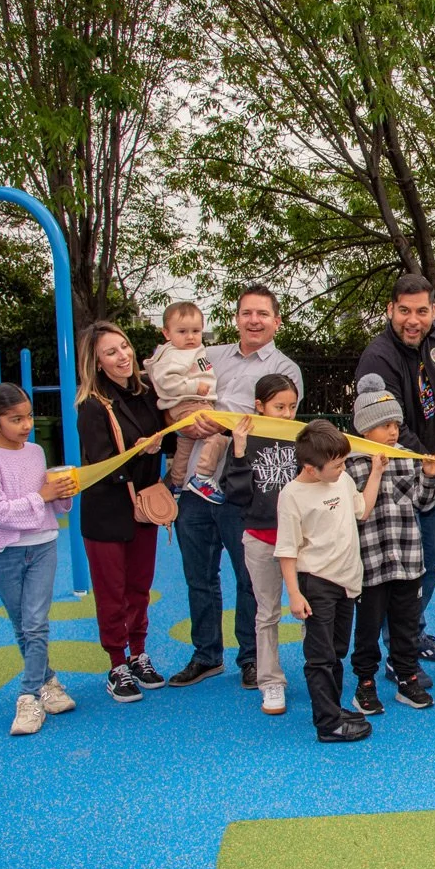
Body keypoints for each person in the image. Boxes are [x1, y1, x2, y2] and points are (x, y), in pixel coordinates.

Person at [169, 285, 303, 690]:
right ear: (236, 318)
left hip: (244, 488)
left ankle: (250, 657)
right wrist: (184, 417)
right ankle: (206, 655)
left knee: (249, 579)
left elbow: (278, 428)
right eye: (247, 313)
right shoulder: (208, 356)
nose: (254, 320)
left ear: (277, 321)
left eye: (262, 314)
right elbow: (174, 391)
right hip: (195, 485)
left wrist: (222, 424)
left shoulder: (285, 369)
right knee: (199, 577)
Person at [355, 272, 435, 666]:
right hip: (395, 478)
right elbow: (392, 429)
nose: (413, 320)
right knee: (399, 569)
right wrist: (432, 468)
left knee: (429, 561)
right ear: (390, 310)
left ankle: (409, 631)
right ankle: (400, 644)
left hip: (430, 470)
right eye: (405, 311)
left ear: (433, 311)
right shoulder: (378, 358)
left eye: (422, 311)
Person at [0, 383, 79, 734]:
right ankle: (48, 682)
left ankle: (28, 697)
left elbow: (47, 501)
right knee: (24, 626)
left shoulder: (36, 452)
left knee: (35, 624)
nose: (27, 424)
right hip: (5, 552)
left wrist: (62, 493)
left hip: (43, 544)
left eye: (29, 416)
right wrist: (42, 495)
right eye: (16, 419)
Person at [75, 321, 169, 702]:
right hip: (107, 512)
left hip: (143, 507)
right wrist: (139, 451)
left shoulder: (147, 393)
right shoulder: (92, 405)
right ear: (96, 362)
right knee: (112, 591)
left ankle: (138, 653)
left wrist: (161, 443)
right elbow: (101, 462)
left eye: (125, 347)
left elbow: (169, 434)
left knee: (139, 587)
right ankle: (117, 662)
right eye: (111, 352)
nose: (123, 356)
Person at [275, 420, 384, 743]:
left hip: (346, 581)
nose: (343, 469)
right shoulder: (292, 495)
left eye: (343, 462)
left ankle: (333, 707)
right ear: (311, 468)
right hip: (316, 582)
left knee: (337, 650)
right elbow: (287, 549)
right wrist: (294, 593)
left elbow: (362, 510)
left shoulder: (343, 480)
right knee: (320, 656)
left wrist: (377, 472)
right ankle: (327, 723)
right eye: (336, 465)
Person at [346, 374, 435, 716]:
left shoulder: (406, 457)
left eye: (396, 424)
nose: (393, 431)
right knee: (368, 629)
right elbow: (354, 512)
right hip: (370, 564)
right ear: (364, 428)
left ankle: (406, 678)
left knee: (406, 625)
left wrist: (429, 475)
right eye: (384, 425)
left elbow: (423, 503)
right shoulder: (350, 462)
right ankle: (365, 683)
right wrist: (374, 470)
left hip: (407, 560)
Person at [221, 374, 301, 716]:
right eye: (279, 407)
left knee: (310, 608)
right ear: (260, 406)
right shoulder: (245, 440)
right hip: (260, 538)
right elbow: (236, 496)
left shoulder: (300, 437)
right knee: (266, 613)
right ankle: (270, 681)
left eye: (292, 406)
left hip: (300, 541)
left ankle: (320, 673)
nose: (286, 414)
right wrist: (239, 453)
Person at [144, 301, 228, 503]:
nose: (190, 337)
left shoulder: (191, 350)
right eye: (182, 331)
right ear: (167, 333)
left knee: (185, 446)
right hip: (190, 403)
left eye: (196, 331)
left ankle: (177, 484)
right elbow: (166, 380)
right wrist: (194, 386)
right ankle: (202, 476)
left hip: (191, 404)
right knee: (217, 437)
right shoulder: (175, 354)